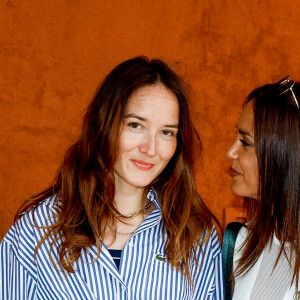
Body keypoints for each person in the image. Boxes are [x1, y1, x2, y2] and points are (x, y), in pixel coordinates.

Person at [0, 56, 223, 299]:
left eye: (166, 132)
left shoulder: (196, 236)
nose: (151, 149)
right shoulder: (37, 231)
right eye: (135, 125)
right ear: (104, 124)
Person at [226, 76, 300, 300]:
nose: (231, 152)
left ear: (285, 156)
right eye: (236, 137)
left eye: (245, 142)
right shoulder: (241, 243)